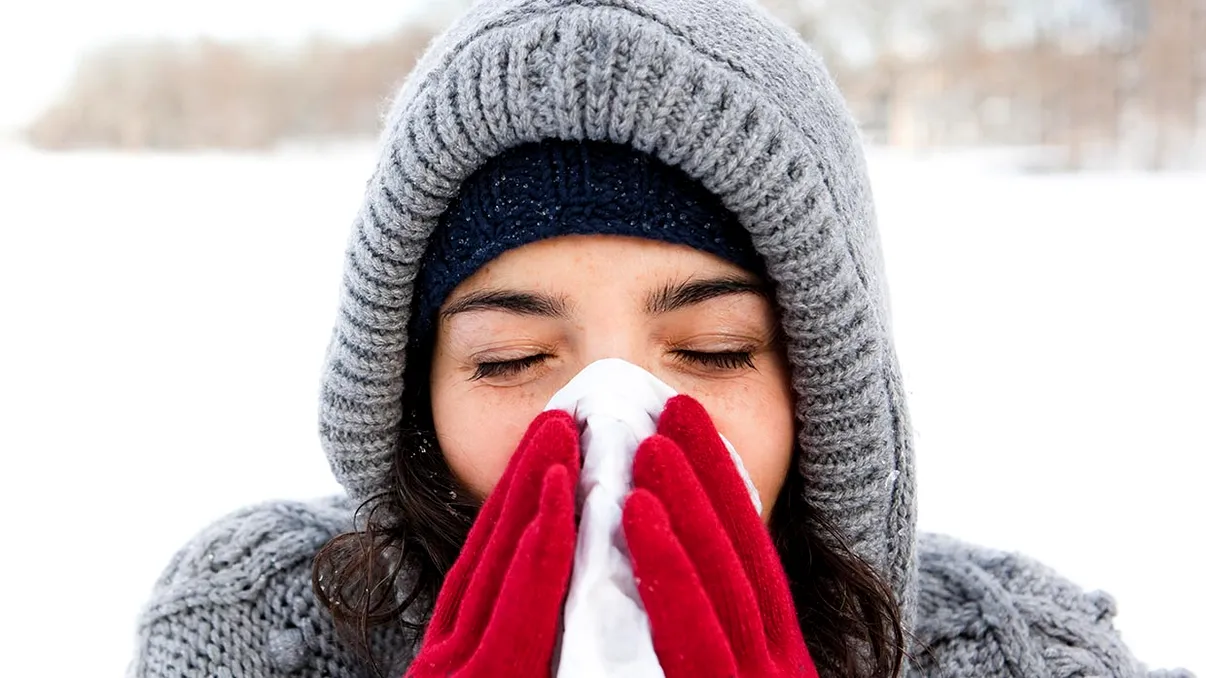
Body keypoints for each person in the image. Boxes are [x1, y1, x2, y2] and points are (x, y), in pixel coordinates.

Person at [129, 0, 1192, 676]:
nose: (611, 429)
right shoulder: (252, 626)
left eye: (718, 349)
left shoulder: (1032, 658)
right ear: (412, 398)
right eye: (508, 361)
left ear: (823, 388)